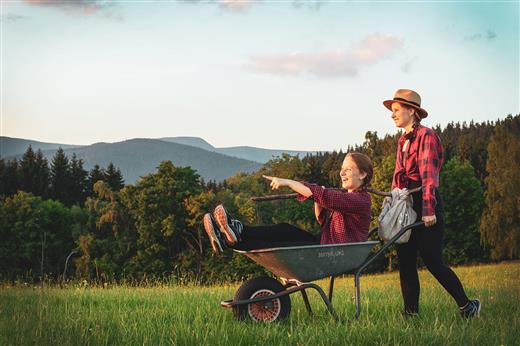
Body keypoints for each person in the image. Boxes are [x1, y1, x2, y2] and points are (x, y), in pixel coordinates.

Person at [383, 89, 481, 318]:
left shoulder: (427, 136)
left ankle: (467, 307)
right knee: (405, 261)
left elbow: (429, 177)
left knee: (432, 260)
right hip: (406, 204)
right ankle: (410, 315)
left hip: (426, 202)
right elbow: (398, 177)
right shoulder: (402, 140)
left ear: (411, 111)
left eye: (396, 110)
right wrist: (392, 203)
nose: (392, 115)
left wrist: (428, 210)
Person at [202, 152, 373, 253]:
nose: (342, 173)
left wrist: (290, 182)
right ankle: (233, 230)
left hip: (334, 251)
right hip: (323, 243)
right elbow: (322, 220)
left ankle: (229, 240)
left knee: (283, 247)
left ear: (363, 174)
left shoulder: (361, 200)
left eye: (348, 169)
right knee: (285, 229)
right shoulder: (344, 195)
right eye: (342, 169)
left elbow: (327, 197)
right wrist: (317, 201)